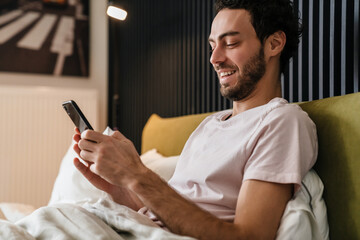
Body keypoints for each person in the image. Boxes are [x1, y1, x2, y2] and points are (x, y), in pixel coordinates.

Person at [73, 0, 318, 239]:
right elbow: (175, 209)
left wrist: (136, 174)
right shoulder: (209, 125)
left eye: (230, 43)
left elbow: (249, 235)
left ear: (274, 44)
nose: (215, 58)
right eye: (212, 46)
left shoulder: (281, 122)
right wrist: (119, 188)